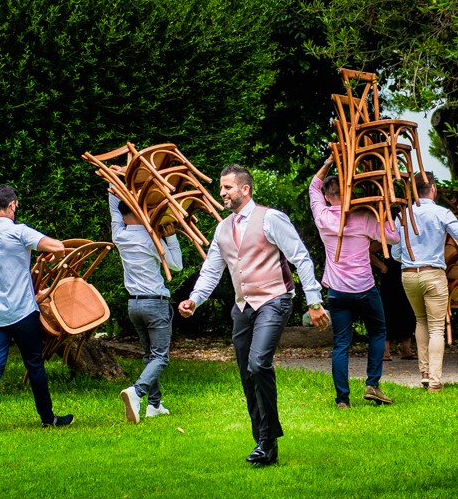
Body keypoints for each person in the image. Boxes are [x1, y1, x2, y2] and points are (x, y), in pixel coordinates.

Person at [179, 164, 328, 465]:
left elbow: (301, 257)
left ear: (244, 189)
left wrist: (314, 301)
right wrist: (194, 299)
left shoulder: (271, 219)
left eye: (227, 188)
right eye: (221, 188)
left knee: (259, 364)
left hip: (275, 299)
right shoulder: (223, 228)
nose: (221, 193)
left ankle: (268, 439)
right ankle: (264, 442)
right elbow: (211, 271)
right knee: (248, 375)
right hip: (243, 306)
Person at [0, 184, 72, 435]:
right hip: (22, 312)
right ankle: (48, 418)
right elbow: (58, 246)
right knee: (34, 365)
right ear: (12, 205)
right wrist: (44, 252)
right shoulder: (19, 232)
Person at [309, 158, 398, 408]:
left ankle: (342, 400)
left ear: (327, 197)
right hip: (364, 289)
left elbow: (312, 186)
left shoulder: (322, 215)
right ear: (348, 192)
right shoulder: (362, 217)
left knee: (341, 344)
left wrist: (328, 161)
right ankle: (372, 385)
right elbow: (393, 238)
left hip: (337, 291)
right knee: (378, 332)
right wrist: (383, 214)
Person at [390, 172, 458, 391]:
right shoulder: (442, 213)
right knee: (435, 328)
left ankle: (424, 372)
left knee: (420, 320)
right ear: (433, 188)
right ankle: (434, 380)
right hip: (433, 274)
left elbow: (395, 252)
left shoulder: (403, 215)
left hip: (409, 274)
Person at [109, 193, 183, 422]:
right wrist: (170, 238)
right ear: (138, 211)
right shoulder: (151, 238)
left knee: (150, 356)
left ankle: (154, 404)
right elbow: (176, 266)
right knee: (161, 357)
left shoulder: (119, 235)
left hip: (134, 304)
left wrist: (113, 186)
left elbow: (114, 209)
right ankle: (137, 392)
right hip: (155, 303)